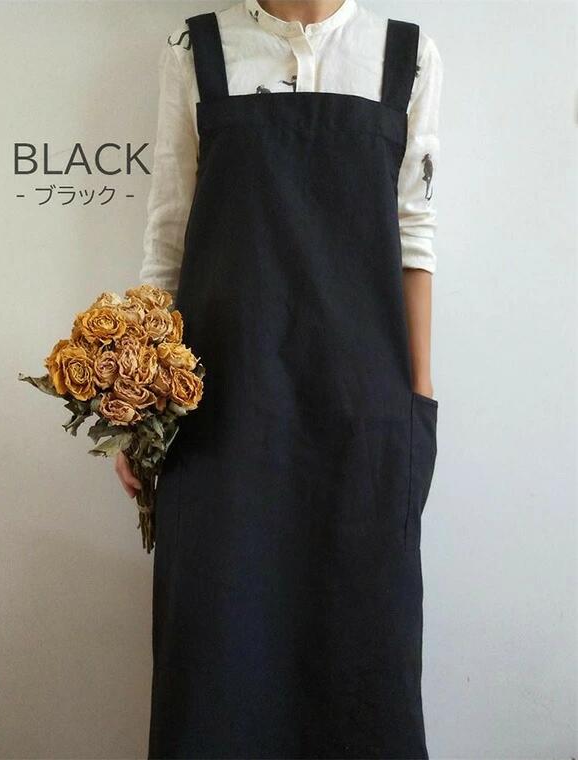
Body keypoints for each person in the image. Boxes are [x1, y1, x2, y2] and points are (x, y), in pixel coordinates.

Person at [118, 1, 443, 757]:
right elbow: (168, 240)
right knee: (215, 654)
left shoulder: (405, 56)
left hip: (364, 416)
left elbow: (415, 241)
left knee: (365, 653)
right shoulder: (196, 49)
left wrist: (417, 408)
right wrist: (140, 404)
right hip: (218, 418)